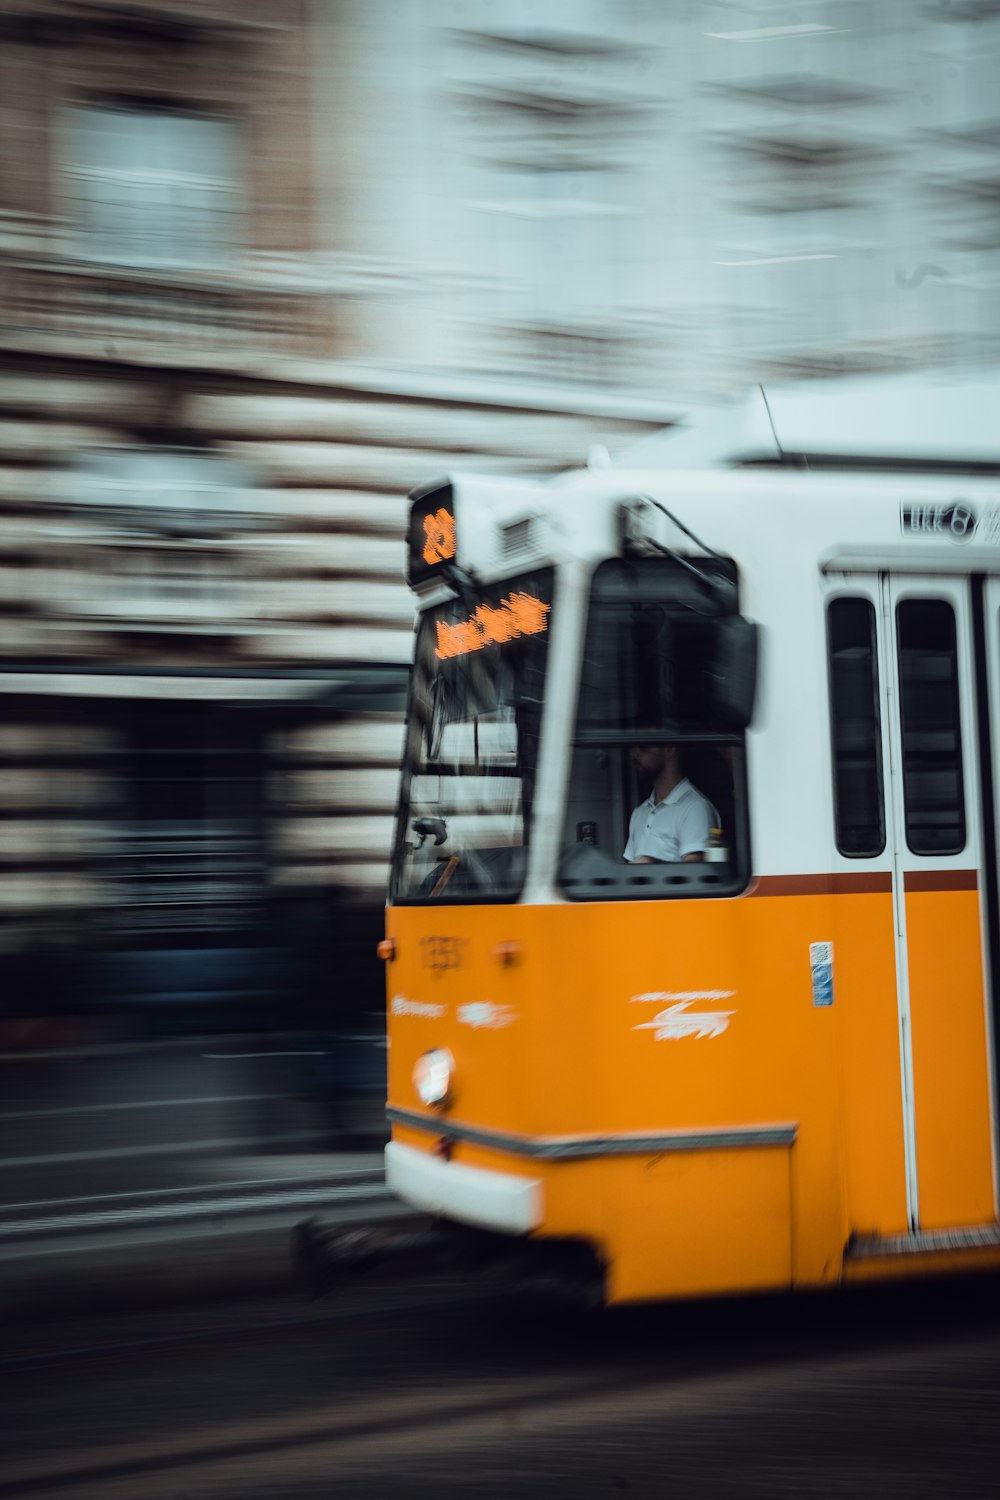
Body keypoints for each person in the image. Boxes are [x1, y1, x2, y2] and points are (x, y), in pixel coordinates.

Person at [623, 744, 718, 863]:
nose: (634, 754)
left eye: (643, 746)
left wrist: (650, 864)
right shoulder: (639, 812)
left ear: (669, 749)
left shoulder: (696, 808)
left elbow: (695, 873)